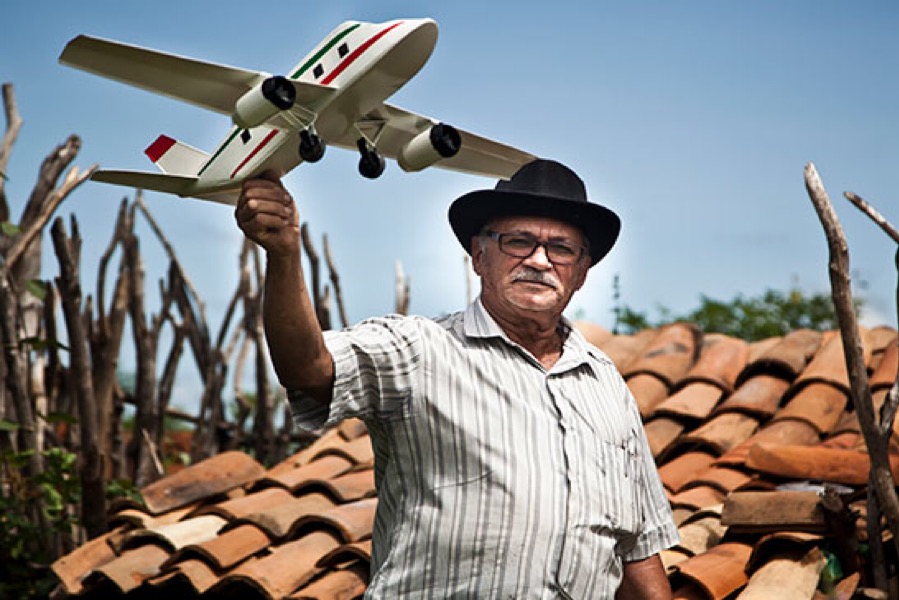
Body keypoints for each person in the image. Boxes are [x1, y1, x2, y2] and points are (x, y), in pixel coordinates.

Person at [235, 159, 679, 599]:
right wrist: (285, 252)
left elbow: (637, 549)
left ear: (581, 274)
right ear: (479, 256)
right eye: (518, 241)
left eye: (561, 248)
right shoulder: (420, 350)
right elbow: (309, 368)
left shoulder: (605, 386)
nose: (540, 260)